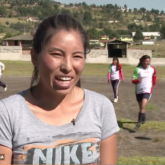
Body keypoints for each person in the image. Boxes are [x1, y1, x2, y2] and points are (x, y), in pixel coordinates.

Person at [0, 14, 120, 165]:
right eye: (56, 54)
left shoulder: (101, 108)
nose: (68, 67)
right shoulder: (7, 114)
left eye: (77, 56)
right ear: (35, 57)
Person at [132, 55, 156, 130]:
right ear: (142, 61)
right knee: (141, 107)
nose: (147, 62)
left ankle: (138, 124)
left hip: (147, 90)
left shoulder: (152, 69)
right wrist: (137, 81)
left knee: (142, 106)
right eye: (146, 61)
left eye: (148, 61)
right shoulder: (137, 69)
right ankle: (144, 116)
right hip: (139, 91)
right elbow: (133, 80)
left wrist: (154, 83)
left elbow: (154, 75)